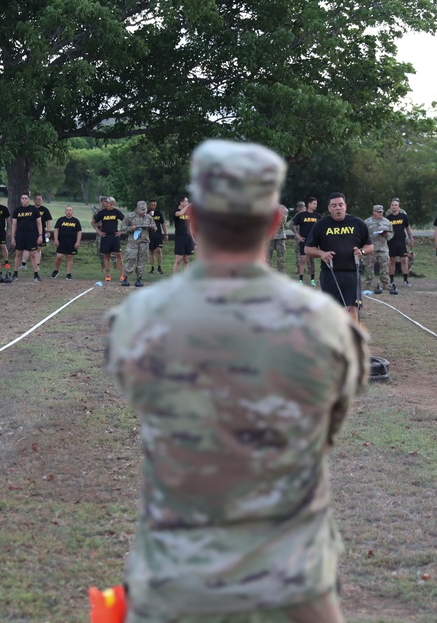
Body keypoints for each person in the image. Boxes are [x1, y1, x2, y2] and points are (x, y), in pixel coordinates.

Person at [106, 139, 368, 623]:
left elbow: (148, 409)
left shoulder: (137, 317)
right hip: (294, 583)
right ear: (274, 224)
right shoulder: (327, 323)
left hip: (177, 580)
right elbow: (327, 430)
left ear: (193, 219)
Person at [305, 192, 374, 323]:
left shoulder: (358, 223)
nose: (338, 208)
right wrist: (322, 254)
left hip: (352, 274)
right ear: (329, 208)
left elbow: (370, 246)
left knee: (353, 309)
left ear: (345, 206)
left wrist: (362, 251)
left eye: (340, 205)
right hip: (329, 274)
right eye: (334, 205)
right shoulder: (321, 225)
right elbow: (308, 249)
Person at [120, 200, 157, 286]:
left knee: (142, 260)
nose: (142, 213)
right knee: (131, 259)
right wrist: (131, 228)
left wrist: (152, 227)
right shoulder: (130, 216)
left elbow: (155, 228)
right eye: (141, 211)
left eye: (144, 211)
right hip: (133, 242)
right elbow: (122, 227)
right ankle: (125, 277)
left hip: (144, 242)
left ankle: (139, 278)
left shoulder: (148, 217)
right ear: (137, 209)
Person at [9, 193, 43, 281]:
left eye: (26, 198)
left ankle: (36, 275)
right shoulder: (17, 210)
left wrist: (40, 235)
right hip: (20, 235)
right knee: (18, 254)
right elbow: (14, 224)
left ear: (29, 199)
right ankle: (15, 274)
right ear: (20, 200)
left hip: (32, 235)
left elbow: (39, 223)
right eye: (22, 198)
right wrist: (13, 237)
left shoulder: (34, 210)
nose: (24, 200)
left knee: (32, 255)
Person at [362, 204, 393, 294]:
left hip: (383, 248)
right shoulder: (367, 222)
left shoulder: (387, 222)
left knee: (385, 267)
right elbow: (363, 235)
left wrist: (386, 234)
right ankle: (367, 284)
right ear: (374, 212)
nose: (380, 213)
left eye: (381, 212)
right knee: (369, 266)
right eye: (378, 212)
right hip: (371, 247)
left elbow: (391, 234)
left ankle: (385, 284)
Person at [94, 196, 126, 281]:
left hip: (115, 236)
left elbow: (125, 220)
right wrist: (99, 232)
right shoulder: (102, 213)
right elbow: (93, 222)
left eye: (113, 204)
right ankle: (108, 275)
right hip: (105, 236)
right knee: (106, 256)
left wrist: (121, 230)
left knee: (118, 255)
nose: (112, 206)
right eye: (111, 204)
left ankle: (122, 275)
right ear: (107, 204)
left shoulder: (116, 212)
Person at [291, 197, 320, 285]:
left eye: (316, 204)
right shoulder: (301, 215)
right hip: (304, 241)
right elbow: (291, 224)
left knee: (312, 261)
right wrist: (297, 234)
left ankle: (312, 280)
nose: (316, 205)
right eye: (314, 204)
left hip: (313, 242)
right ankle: (300, 280)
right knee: (303, 260)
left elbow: (322, 227)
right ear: (309, 204)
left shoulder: (317, 216)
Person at [386, 198, 413, 290]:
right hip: (391, 242)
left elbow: (408, 228)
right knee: (392, 261)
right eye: (392, 205)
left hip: (401, 241)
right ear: (390, 207)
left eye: (395, 205)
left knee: (404, 260)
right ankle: (391, 280)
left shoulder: (403, 216)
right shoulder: (388, 218)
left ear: (398, 206)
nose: (394, 207)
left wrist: (411, 239)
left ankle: (405, 280)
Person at [51, 205, 82, 279]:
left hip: (72, 242)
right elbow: (56, 230)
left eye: (70, 210)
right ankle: (56, 270)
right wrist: (56, 239)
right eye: (67, 210)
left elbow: (79, 232)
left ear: (72, 211)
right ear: (65, 211)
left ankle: (68, 274)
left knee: (70, 257)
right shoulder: (61, 220)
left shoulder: (76, 221)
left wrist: (78, 242)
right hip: (61, 242)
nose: (68, 212)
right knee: (59, 256)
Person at [172, 196, 196, 274]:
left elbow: (190, 227)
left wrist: (193, 239)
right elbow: (180, 213)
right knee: (178, 259)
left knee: (186, 260)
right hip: (180, 237)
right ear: (181, 202)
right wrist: (188, 206)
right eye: (186, 201)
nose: (187, 203)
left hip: (188, 237)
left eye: (188, 201)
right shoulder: (176, 211)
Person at [266, 204, 289, 275]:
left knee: (281, 258)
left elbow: (282, 220)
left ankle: (281, 275)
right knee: (267, 258)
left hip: (280, 237)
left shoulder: (282, 208)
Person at [147, 198, 168, 274]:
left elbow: (163, 224)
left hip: (158, 235)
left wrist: (166, 233)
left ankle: (159, 267)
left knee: (159, 250)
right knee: (151, 251)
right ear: (149, 205)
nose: (153, 206)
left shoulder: (159, 213)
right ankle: (152, 267)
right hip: (149, 235)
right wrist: (147, 216)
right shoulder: (146, 214)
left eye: (154, 205)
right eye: (152, 205)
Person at [33, 194, 53, 267]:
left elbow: (49, 221)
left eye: (40, 199)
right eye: (37, 199)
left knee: (38, 247)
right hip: (31, 230)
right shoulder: (31, 209)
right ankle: (24, 263)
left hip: (41, 231)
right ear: (34, 200)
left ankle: (37, 264)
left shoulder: (45, 210)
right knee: (29, 248)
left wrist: (48, 231)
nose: (38, 201)